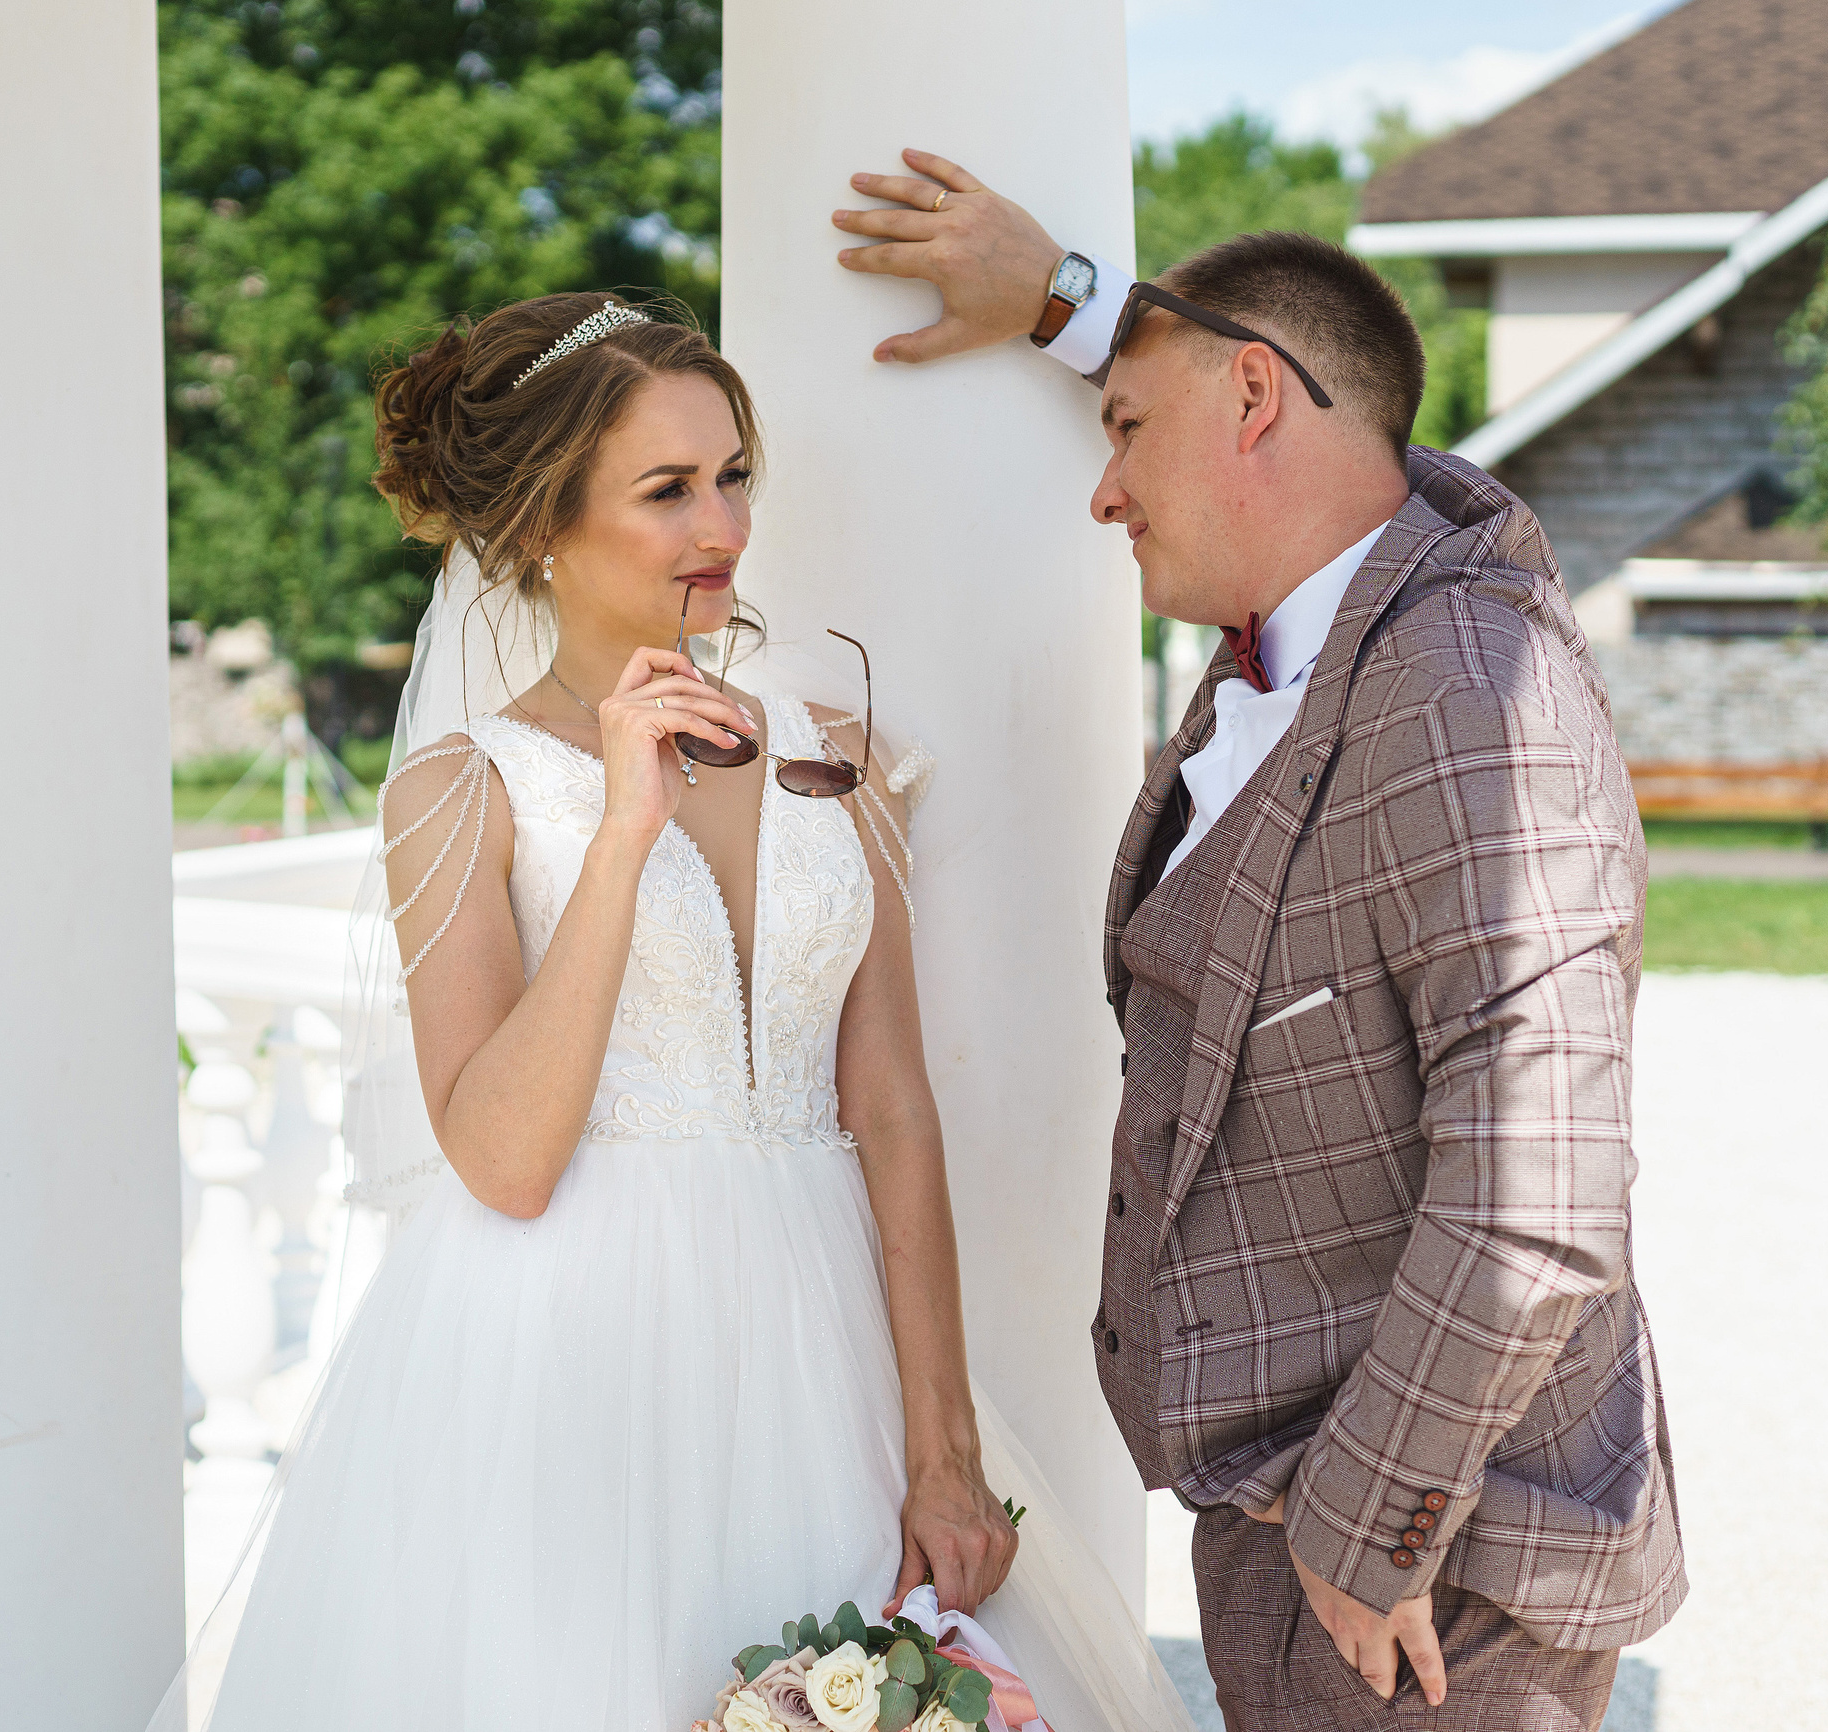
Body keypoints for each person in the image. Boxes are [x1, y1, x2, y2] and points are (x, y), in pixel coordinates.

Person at [142, 293, 1195, 1732]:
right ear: (536, 531)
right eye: (668, 490)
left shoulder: (833, 758)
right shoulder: (462, 791)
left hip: (830, 1359)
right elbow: (502, 1160)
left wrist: (943, 1441)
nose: (725, 527)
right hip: (574, 1367)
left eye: (733, 475)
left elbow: (888, 1102)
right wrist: (624, 832)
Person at [827, 154, 1689, 1731]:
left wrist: (1371, 1528)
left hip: (1431, 1588)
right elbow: (1291, 388)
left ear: (1248, 401)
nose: (1102, 489)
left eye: (1124, 434)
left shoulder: (1473, 698)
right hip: (1297, 1540)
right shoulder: (1312, 635)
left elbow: (1543, 1193)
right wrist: (1075, 311)